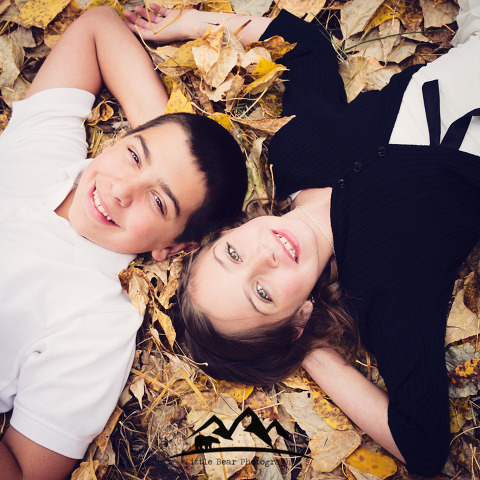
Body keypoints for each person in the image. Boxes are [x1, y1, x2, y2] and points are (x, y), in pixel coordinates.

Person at [125, 0, 480, 476]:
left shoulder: (292, 153)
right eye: (262, 292)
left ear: (229, 231)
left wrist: (189, 24)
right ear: (298, 318)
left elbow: (305, 47)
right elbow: (422, 444)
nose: (265, 255)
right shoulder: (386, 289)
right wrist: (305, 350)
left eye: (233, 253)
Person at [0, 6, 247, 480]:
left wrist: (160, 159)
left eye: (158, 202)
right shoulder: (48, 148)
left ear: (174, 248)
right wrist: (173, 144)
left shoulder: (95, 325)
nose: (119, 190)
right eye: (134, 156)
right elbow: (97, 27)